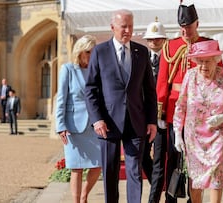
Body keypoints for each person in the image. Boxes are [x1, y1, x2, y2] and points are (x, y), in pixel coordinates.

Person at [84, 9, 157, 203]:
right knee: (110, 172)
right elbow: (91, 89)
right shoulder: (100, 52)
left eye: (130, 26)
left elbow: (149, 91)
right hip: (107, 124)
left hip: (136, 122)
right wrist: (97, 119)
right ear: (112, 27)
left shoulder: (141, 52)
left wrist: (151, 121)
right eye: (123, 26)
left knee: (134, 171)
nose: (127, 30)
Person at [173, 40, 223, 203]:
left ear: (216, 60)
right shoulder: (190, 76)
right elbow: (180, 106)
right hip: (193, 137)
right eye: (201, 61)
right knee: (195, 176)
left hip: (218, 135)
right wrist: (177, 132)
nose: (204, 65)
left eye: (208, 61)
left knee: (216, 172)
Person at [156, 3, 211, 203]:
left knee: (198, 160)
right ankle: (171, 198)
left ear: (197, 24)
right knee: (173, 157)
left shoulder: (208, 45)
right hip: (175, 110)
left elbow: (216, 80)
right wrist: (160, 112)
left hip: (200, 113)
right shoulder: (170, 47)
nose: (185, 30)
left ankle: (194, 198)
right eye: (182, 26)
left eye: (189, 26)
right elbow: (162, 82)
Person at [55, 35, 102, 203]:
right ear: (80, 52)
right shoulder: (68, 69)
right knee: (77, 168)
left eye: (93, 52)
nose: (91, 55)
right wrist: (60, 126)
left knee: (98, 164)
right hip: (73, 125)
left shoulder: (97, 70)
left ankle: (84, 196)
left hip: (94, 125)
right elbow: (61, 98)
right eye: (88, 52)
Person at [142, 18, 167, 203]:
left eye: (158, 38)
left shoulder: (169, 59)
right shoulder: (141, 58)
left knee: (159, 159)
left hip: (162, 117)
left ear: (164, 40)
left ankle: (155, 198)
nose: (154, 42)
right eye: (151, 39)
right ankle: (158, 186)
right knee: (143, 157)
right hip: (143, 117)